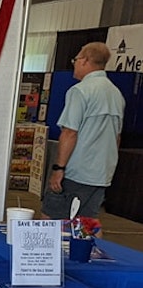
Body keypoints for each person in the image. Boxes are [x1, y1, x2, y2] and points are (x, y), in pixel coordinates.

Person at [42, 41, 126, 221]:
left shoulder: (80, 91)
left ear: (86, 61)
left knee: (50, 219)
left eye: (76, 59)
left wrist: (59, 169)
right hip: (101, 173)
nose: (74, 63)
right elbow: (116, 137)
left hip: (77, 171)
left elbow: (70, 133)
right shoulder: (116, 94)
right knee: (89, 223)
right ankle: (95, 250)